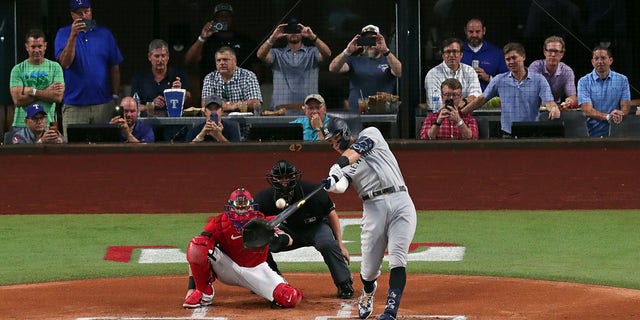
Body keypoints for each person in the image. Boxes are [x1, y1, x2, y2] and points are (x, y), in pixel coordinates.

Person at [320, 117, 417, 320]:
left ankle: (391, 311)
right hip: (373, 208)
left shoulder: (371, 134)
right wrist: (332, 184)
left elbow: (359, 150)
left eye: (336, 139)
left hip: (401, 201)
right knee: (369, 270)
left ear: (345, 133)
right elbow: (341, 187)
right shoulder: (342, 168)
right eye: (331, 142)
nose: (334, 144)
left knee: (398, 258)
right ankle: (368, 289)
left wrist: (339, 165)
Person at [183, 187, 303, 309]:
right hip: (227, 267)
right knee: (197, 245)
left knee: (289, 298)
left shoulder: (262, 223)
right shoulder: (219, 223)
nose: (242, 212)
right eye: (238, 208)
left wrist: (278, 238)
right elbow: (197, 251)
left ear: (251, 207)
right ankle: (204, 294)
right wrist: (191, 288)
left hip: (257, 270)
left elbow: (289, 239)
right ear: (231, 208)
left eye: (245, 207)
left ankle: (274, 289)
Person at [254, 160, 354, 299]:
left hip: (316, 227)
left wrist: (340, 245)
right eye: (280, 178)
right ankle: (272, 280)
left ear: (295, 177)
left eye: (287, 177)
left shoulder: (312, 191)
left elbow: (332, 214)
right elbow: (253, 220)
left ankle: (344, 283)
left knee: (327, 244)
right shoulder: (265, 198)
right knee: (260, 243)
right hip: (289, 230)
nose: (284, 181)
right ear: (273, 179)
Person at [54, 0, 124, 137]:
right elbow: (65, 63)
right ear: (72, 15)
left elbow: (114, 66)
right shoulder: (63, 33)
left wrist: (115, 94)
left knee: (105, 150)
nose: (84, 16)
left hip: (103, 104)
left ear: (91, 11)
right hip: (74, 105)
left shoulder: (105, 34)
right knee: (74, 152)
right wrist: (73, 36)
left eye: (87, 11)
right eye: (79, 13)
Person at [461, 42, 561, 137]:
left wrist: (553, 108)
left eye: (514, 58)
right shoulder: (499, 80)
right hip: (507, 134)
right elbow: (481, 99)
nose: (511, 62)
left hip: (533, 132)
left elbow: (549, 101)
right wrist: (461, 113)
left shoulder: (539, 80)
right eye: (508, 59)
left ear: (523, 57)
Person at [184, 3, 261, 95]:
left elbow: (258, 69)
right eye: (220, 16)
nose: (224, 19)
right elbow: (189, 61)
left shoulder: (245, 41)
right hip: (212, 93)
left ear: (233, 19)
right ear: (214, 20)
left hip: (241, 93)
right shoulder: (206, 41)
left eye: (227, 16)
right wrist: (202, 38)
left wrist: (252, 88)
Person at [256, 18, 331, 110]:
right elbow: (260, 55)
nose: (294, 33)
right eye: (290, 30)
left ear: (302, 32)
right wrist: (273, 37)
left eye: (297, 30)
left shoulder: (313, 52)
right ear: (285, 34)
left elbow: (327, 54)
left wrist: (312, 36)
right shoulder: (276, 53)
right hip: (280, 109)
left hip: (309, 109)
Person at [329, 24, 401, 113]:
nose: (370, 44)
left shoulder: (388, 60)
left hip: (382, 113)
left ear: (381, 40)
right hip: (357, 114)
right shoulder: (354, 60)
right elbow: (333, 68)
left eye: (373, 40)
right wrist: (347, 51)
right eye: (366, 40)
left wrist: (386, 51)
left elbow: (400, 72)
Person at [9, 29, 65, 129]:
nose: (36, 50)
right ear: (27, 47)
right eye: (33, 47)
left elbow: (58, 97)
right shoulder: (17, 69)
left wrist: (31, 91)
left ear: (45, 46)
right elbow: (18, 100)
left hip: (46, 124)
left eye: (40, 46)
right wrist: (47, 92)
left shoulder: (55, 67)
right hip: (22, 124)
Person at [577, 46, 631, 137]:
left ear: (610, 60)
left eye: (603, 58)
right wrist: (608, 117)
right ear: (592, 62)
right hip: (591, 134)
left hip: (617, 132)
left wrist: (619, 113)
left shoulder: (622, 79)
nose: (600, 62)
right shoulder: (583, 81)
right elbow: (587, 110)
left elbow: (626, 106)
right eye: (596, 58)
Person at [130, 39, 191, 117]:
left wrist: (180, 93)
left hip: (173, 123)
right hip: (147, 123)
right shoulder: (139, 79)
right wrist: (151, 106)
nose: (160, 60)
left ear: (168, 57)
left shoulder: (179, 75)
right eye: (156, 56)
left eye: (163, 56)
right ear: (149, 57)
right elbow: (133, 107)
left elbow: (189, 102)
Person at [424, 38, 482, 111]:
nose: (451, 55)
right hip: (440, 118)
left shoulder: (470, 71)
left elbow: (477, 96)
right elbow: (435, 103)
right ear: (443, 55)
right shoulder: (432, 74)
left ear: (461, 55)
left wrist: (464, 101)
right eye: (448, 52)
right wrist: (458, 106)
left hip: (466, 116)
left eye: (455, 51)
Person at [201, 46, 262, 114]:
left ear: (235, 61)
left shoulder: (248, 76)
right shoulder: (210, 78)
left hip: (244, 121)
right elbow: (205, 105)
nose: (222, 63)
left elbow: (255, 104)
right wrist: (240, 105)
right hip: (218, 121)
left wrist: (231, 106)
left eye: (225, 60)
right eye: (219, 60)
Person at [528, 36, 578, 108]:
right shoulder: (535, 67)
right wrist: (549, 104)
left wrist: (570, 101)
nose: (553, 55)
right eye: (550, 51)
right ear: (545, 52)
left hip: (556, 107)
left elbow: (572, 96)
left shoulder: (567, 71)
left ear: (562, 54)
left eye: (556, 51)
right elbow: (531, 93)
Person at [460, 18, 508, 91]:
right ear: (465, 31)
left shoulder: (496, 53)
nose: (474, 35)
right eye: (471, 32)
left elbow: (507, 81)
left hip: (489, 100)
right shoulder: (456, 52)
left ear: (484, 31)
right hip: (462, 99)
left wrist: (488, 78)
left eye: (477, 31)